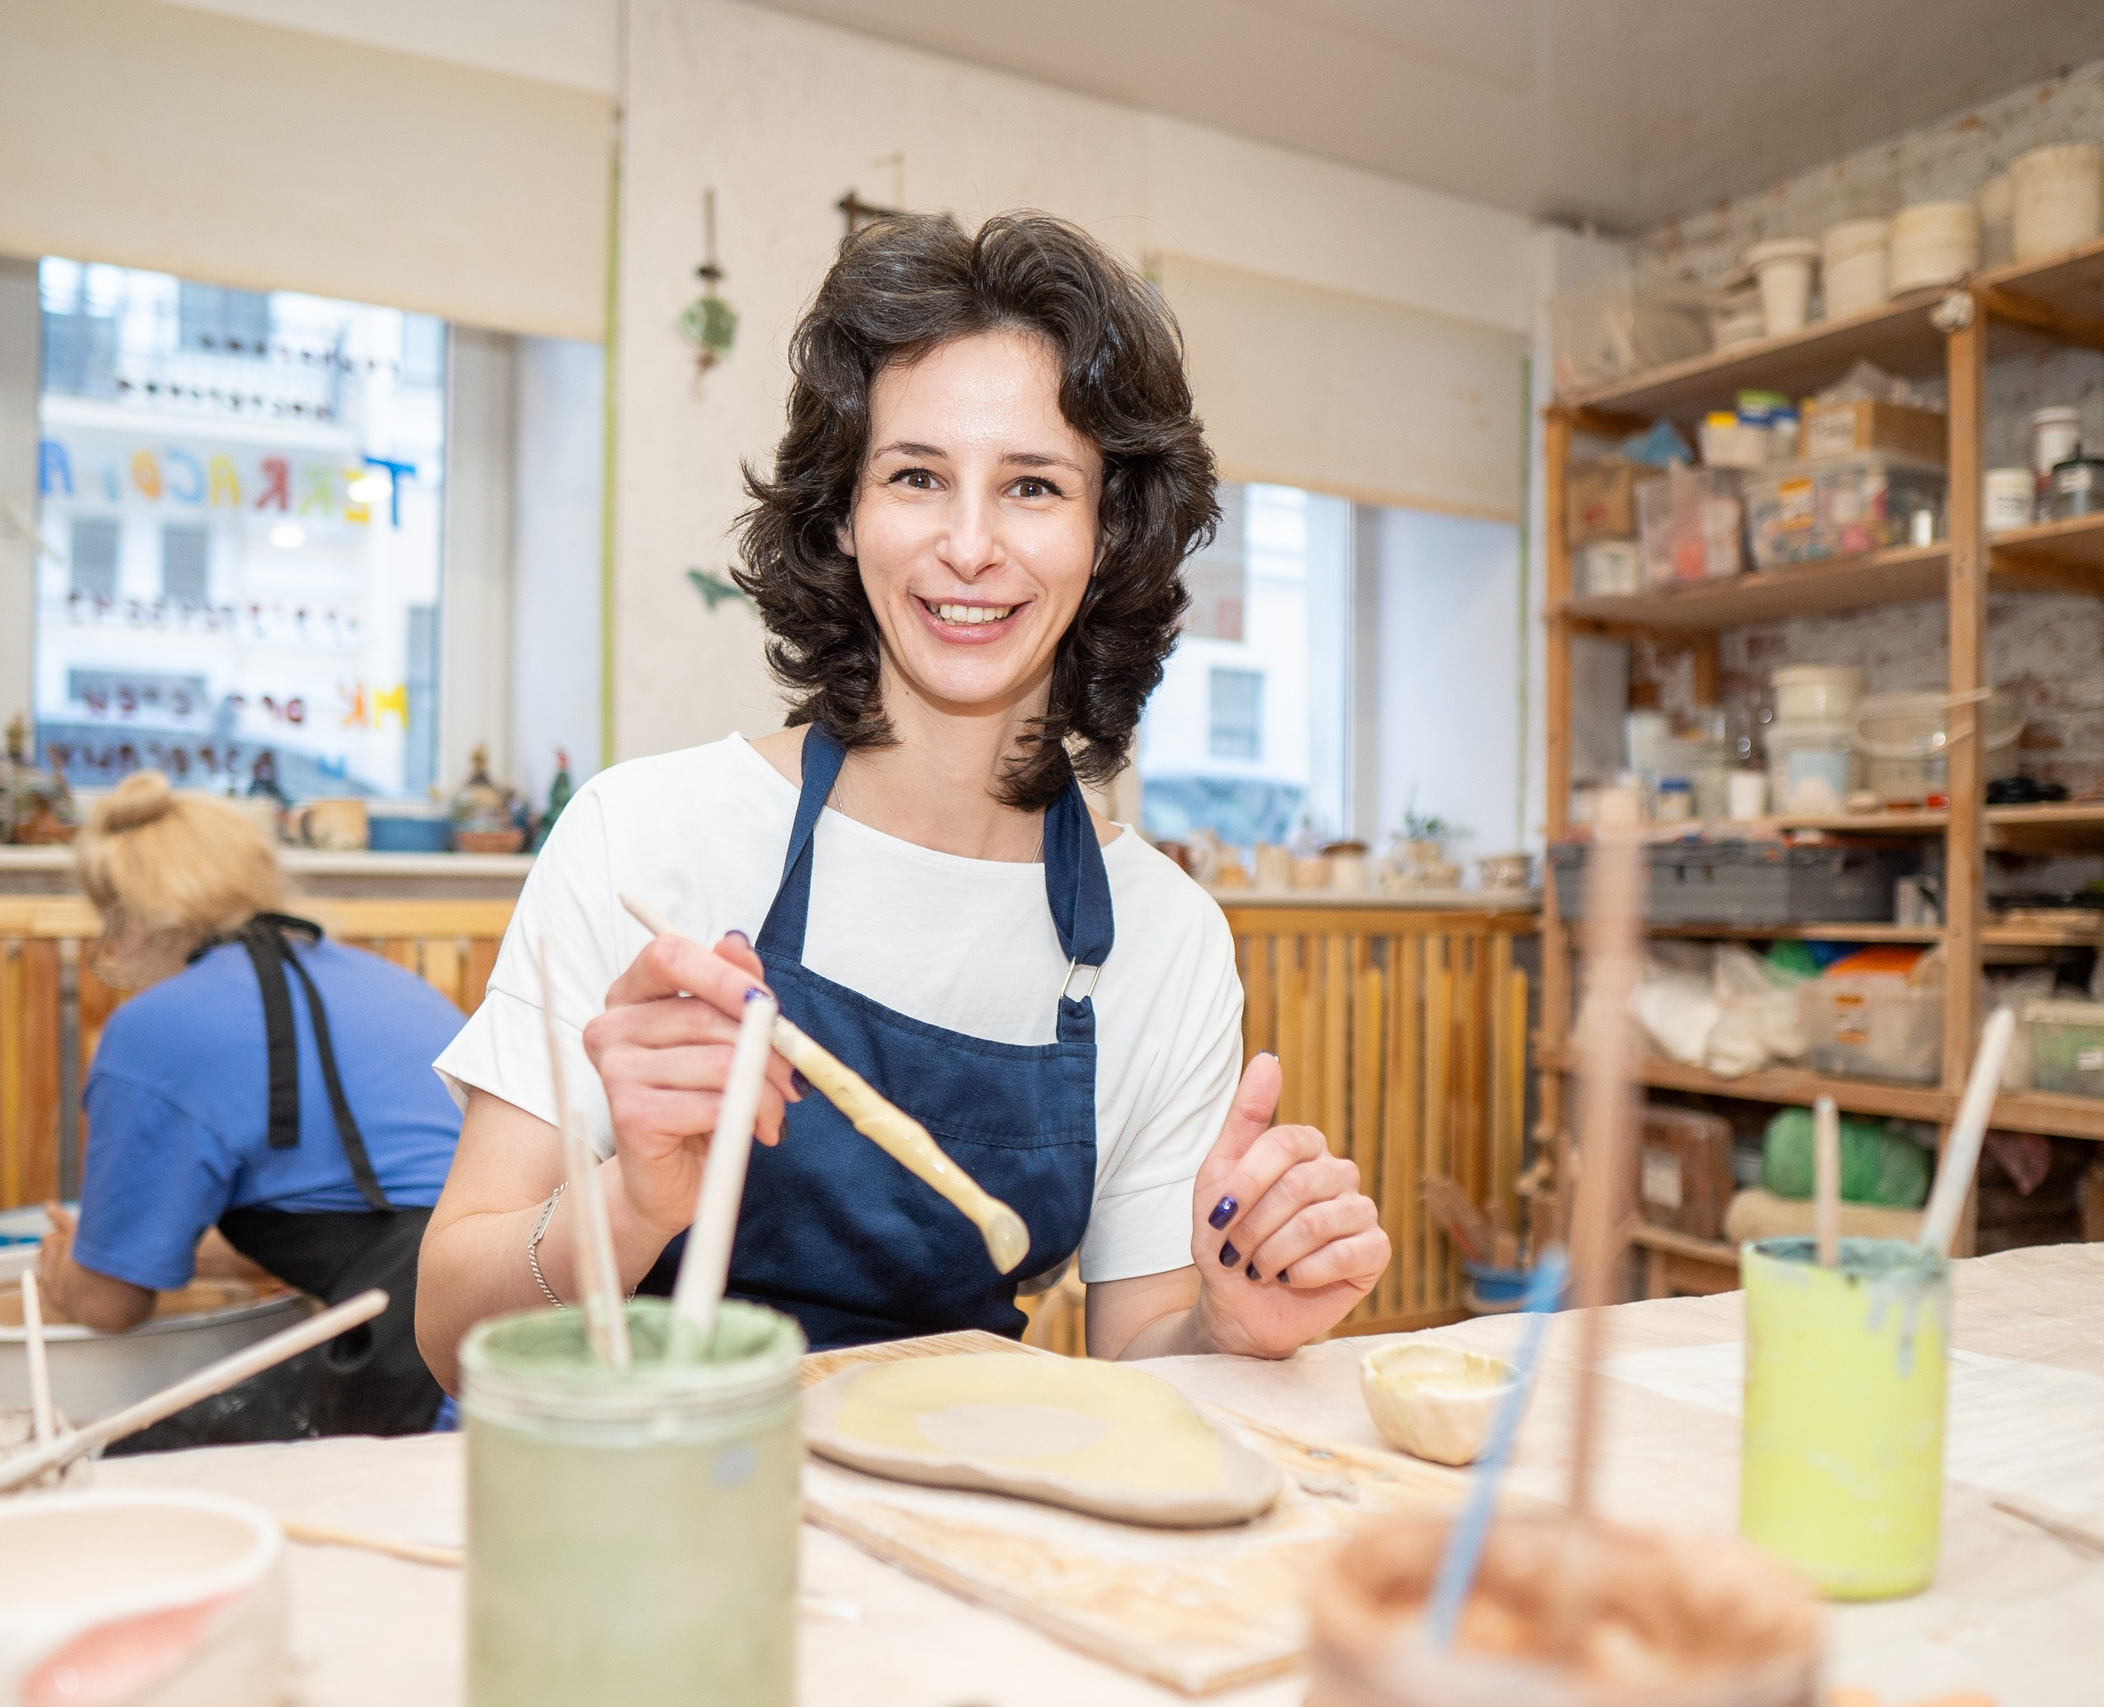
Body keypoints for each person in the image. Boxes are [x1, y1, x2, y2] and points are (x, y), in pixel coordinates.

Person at [419, 211, 1389, 1382]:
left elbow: (1143, 1352)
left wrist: (1231, 1328)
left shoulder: (1161, 938)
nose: (969, 545)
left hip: (950, 1504)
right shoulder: (647, 839)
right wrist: (634, 1200)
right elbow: (445, 1331)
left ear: (1107, 535)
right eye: (916, 475)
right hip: (638, 1487)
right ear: (844, 514)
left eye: (1032, 485)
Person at [39, 771, 463, 1436]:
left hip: (432, 1354)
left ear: (126, 917)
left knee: (133, 1458)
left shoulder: (156, 1027)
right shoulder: (381, 980)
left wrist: (66, 1271)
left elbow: (110, 1302)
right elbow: (360, 1201)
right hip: (542, 1310)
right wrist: (155, 1250)